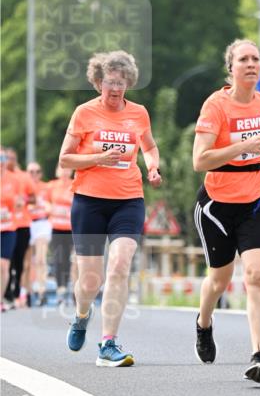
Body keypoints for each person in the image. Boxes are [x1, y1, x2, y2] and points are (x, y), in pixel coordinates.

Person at [192, 38, 260, 381]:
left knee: (256, 275)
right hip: (218, 205)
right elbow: (199, 160)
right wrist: (242, 145)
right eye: (244, 59)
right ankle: (204, 323)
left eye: (256, 59)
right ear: (231, 68)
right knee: (219, 280)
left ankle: (258, 355)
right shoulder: (216, 106)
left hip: (258, 199)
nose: (251, 64)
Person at [58, 50, 161, 366]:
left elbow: (150, 146)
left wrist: (153, 167)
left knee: (119, 264)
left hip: (129, 200)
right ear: (98, 83)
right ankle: (81, 315)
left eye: (121, 83)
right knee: (90, 281)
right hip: (89, 201)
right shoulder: (84, 113)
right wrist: (96, 159)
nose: (115, 89)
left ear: (128, 83)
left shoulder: (139, 113)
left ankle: (108, 344)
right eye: (109, 83)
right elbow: (65, 158)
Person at [3, 148, 33, 307]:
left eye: (11, 158)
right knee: (6, 262)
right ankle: (6, 293)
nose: (8, 160)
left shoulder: (21, 177)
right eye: (6, 157)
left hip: (21, 224)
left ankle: (14, 293)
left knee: (19, 262)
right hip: (7, 225)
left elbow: (31, 197)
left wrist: (23, 201)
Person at [47, 164, 76, 305]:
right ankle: (60, 289)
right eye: (62, 168)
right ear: (58, 170)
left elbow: (79, 203)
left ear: (71, 171)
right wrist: (50, 208)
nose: (65, 171)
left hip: (71, 228)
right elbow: (44, 202)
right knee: (58, 257)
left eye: (67, 168)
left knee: (68, 259)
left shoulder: (75, 184)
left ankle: (68, 287)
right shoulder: (52, 185)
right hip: (56, 227)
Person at [27, 160, 52, 306]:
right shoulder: (23, 187)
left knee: (41, 259)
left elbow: (51, 204)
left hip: (42, 223)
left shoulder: (45, 187)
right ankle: (28, 292)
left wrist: (47, 207)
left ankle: (42, 291)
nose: (34, 174)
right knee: (27, 262)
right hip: (27, 223)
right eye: (31, 172)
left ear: (41, 173)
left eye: (37, 171)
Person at [0, 148, 20, 311]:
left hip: (8, 227)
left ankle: (0, 300)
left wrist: (18, 203)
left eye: (2, 160)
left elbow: (22, 200)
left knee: (4, 265)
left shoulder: (13, 180)